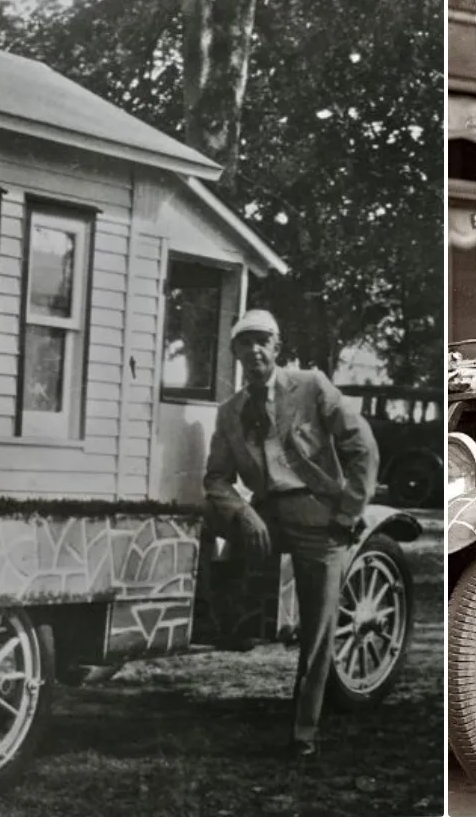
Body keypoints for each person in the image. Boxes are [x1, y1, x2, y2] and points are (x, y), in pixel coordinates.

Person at [203, 309, 379, 757]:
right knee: (207, 527)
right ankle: (230, 626)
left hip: (319, 517)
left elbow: (362, 448)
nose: (255, 350)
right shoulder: (230, 413)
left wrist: (347, 512)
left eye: (263, 341)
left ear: (277, 347)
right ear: (236, 353)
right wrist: (241, 512)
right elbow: (216, 480)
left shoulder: (311, 386)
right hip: (265, 515)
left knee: (317, 626)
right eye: (246, 343)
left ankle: (303, 731)